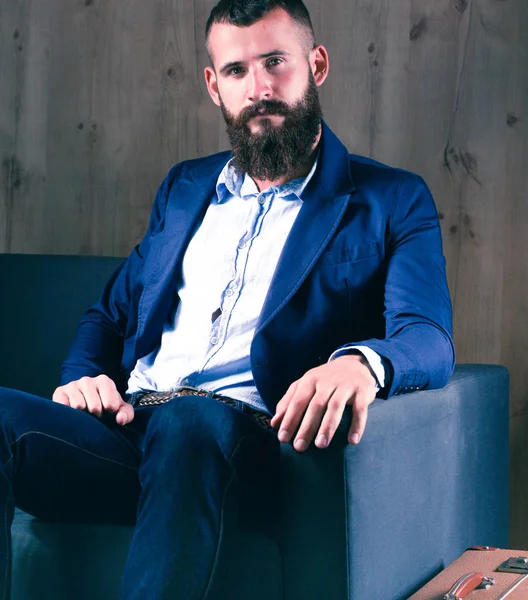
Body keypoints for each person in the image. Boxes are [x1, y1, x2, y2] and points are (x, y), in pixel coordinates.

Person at [0, 0, 455, 598]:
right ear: (214, 86)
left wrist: (359, 363)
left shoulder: (392, 198)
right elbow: (108, 314)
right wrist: (84, 375)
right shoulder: (186, 187)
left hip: (246, 442)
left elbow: (429, 336)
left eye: (276, 63)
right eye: (237, 71)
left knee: (190, 422)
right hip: (132, 430)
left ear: (316, 65)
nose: (260, 88)